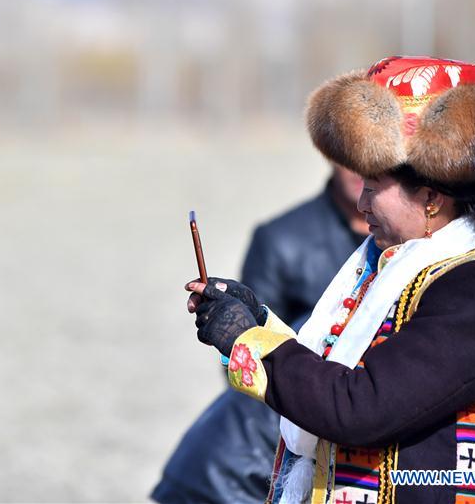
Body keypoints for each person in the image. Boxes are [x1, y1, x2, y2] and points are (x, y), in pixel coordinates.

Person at [186, 56, 475, 504]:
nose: (361, 202)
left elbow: (358, 406)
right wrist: (257, 321)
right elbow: (337, 374)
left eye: (373, 186)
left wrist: (248, 339)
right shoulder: (392, 267)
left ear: (432, 198)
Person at [153, 166, 368, 503]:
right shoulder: (280, 239)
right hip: (241, 470)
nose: (362, 171)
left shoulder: (401, 256)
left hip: (308, 454)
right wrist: (242, 329)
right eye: (353, 157)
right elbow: (239, 360)